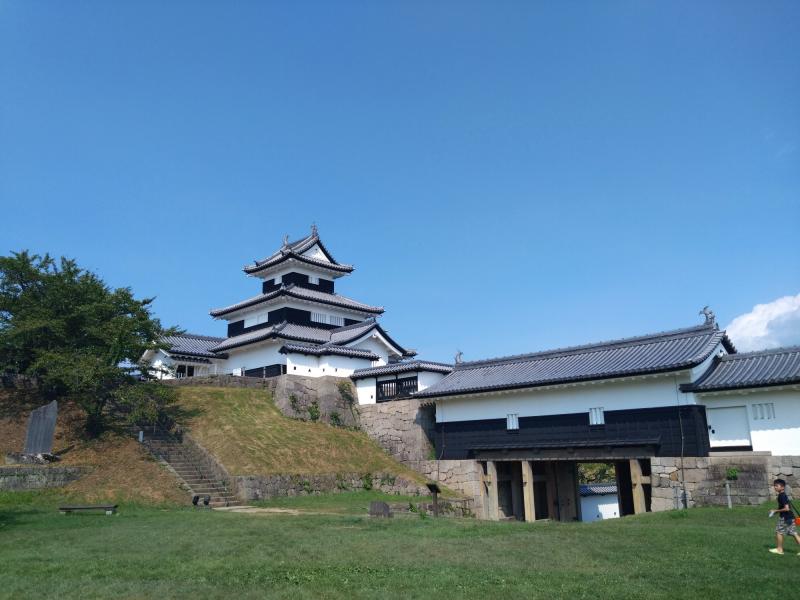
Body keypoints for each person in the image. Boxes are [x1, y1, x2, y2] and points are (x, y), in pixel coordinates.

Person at [769, 478, 800, 555]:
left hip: (785, 518)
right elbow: (784, 508)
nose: (775, 487)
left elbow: (786, 508)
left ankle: (779, 549)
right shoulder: (783, 495)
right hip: (790, 517)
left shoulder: (781, 496)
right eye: (774, 486)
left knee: (779, 532)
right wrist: (775, 511)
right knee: (793, 533)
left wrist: (776, 511)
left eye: (777, 486)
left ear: (782, 487)